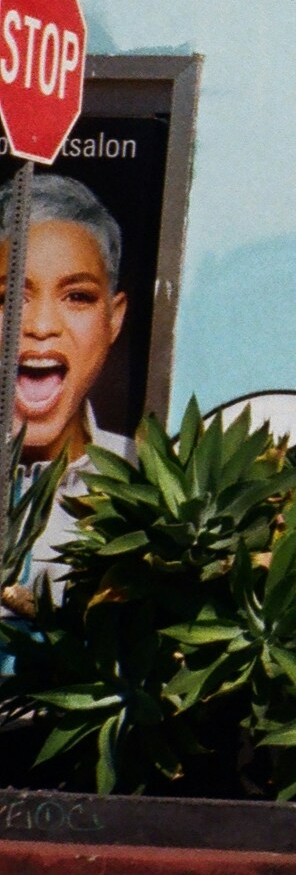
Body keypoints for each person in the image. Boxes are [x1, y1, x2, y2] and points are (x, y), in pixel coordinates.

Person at [6, 172, 134, 597]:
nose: (40, 327)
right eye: (8, 298)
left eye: (77, 296)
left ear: (113, 318)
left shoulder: (147, 484)